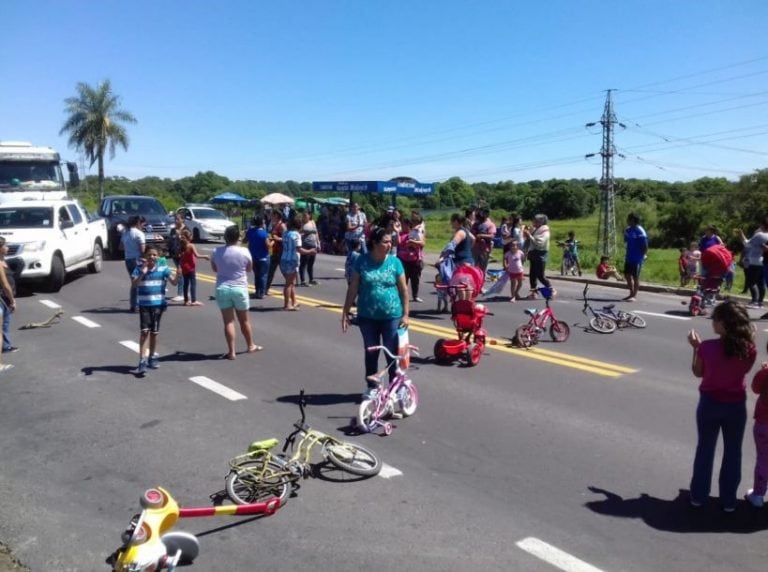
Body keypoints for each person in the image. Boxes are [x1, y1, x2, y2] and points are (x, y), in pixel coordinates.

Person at [687, 300, 756, 511]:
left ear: (724, 324)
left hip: (710, 404)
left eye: (715, 319)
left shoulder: (707, 347)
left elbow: (698, 372)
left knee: (705, 450)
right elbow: (743, 371)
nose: (712, 323)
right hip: (736, 405)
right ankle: (728, 501)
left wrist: (696, 349)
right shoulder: (749, 349)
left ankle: (698, 496)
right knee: (733, 452)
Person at [341, 226, 409, 398]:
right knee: (371, 352)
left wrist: (406, 314)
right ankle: (372, 387)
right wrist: (345, 311)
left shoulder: (395, 262)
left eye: (390, 241)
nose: (390, 244)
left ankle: (395, 388)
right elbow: (353, 287)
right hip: (367, 317)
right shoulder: (362, 261)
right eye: (386, 242)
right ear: (374, 243)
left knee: (391, 352)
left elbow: (403, 290)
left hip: (391, 316)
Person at [211, 225, 263, 360]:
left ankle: (231, 352)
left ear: (225, 237)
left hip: (222, 287)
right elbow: (249, 269)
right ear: (238, 238)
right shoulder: (244, 251)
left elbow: (215, 269)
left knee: (228, 322)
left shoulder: (216, 251)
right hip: (239, 287)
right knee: (244, 320)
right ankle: (250, 345)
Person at [130, 246, 179, 375]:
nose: (151, 257)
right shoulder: (139, 268)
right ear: (145, 256)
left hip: (158, 305)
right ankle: (142, 360)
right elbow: (134, 284)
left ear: (158, 256)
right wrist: (143, 272)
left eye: (154, 255)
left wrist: (179, 274)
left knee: (154, 332)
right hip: (144, 305)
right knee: (144, 332)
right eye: (149, 255)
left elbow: (174, 282)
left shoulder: (163, 269)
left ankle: (152, 357)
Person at [745, 345, 768, 508]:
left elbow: (755, 388)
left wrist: (763, 371)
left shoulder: (765, 374)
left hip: (764, 425)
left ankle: (758, 495)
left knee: (764, 459)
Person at [281, 216, 315, 311]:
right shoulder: (296, 235)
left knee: (291, 282)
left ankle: (294, 301)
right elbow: (299, 249)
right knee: (289, 283)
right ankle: (286, 305)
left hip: (284, 258)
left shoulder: (285, 233)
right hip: (292, 260)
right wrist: (310, 251)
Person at [735, 219, 768, 309]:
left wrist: (741, 234)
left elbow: (747, 244)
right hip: (763, 261)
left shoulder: (759, 235)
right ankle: (760, 302)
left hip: (754, 261)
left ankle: (754, 301)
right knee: (761, 283)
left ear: (762, 225)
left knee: (751, 282)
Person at [522, 214, 553, 299]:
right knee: (532, 275)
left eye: (535, 221)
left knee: (540, 275)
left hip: (540, 254)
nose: (533, 222)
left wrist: (529, 236)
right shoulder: (536, 229)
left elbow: (539, 243)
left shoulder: (545, 232)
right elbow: (529, 240)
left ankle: (550, 290)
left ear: (541, 222)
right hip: (533, 254)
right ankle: (533, 293)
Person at [397, 216, 426, 303]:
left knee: (415, 279)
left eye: (405, 225)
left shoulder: (417, 232)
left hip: (415, 259)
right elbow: (398, 243)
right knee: (403, 279)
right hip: (403, 260)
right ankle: (402, 295)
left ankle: (415, 296)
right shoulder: (400, 234)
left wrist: (412, 242)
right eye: (402, 225)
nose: (403, 226)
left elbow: (422, 243)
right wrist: (397, 232)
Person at [122, 215, 146, 313]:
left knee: (134, 282)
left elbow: (121, 246)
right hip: (137, 260)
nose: (143, 225)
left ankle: (133, 304)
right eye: (142, 223)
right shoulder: (139, 233)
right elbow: (142, 249)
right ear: (138, 223)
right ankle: (137, 304)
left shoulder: (125, 233)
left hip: (128, 259)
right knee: (138, 282)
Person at [179, 229, 209, 306]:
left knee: (185, 284)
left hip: (184, 267)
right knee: (193, 284)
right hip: (191, 268)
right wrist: (205, 256)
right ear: (189, 237)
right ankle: (193, 300)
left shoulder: (182, 245)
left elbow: (180, 256)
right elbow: (197, 255)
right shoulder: (191, 245)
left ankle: (186, 300)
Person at [623, 213, 648, 302]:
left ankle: (634, 295)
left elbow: (645, 245)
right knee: (627, 275)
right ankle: (631, 293)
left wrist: (644, 255)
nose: (627, 221)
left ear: (632, 220)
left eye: (628, 219)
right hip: (629, 256)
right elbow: (626, 240)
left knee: (635, 276)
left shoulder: (640, 231)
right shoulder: (628, 230)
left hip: (637, 258)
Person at [0, 237, 18, 353]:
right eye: (5, 246)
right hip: (3, 297)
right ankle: (5, 347)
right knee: (3, 324)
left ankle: (6, 345)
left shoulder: (3, 260)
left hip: (5, 297)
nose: (7, 247)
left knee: (6, 322)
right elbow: (5, 285)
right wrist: (12, 301)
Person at [245, 215, 270, 299]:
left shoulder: (250, 231)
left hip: (253, 256)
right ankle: (262, 293)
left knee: (257, 275)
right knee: (263, 275)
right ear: (261, 223)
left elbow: (245, 240)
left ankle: (257, 291)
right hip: (263, 257)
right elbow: (267, 245)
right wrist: (272, 242)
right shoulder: (263, 233)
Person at [167, 214, 187, 302]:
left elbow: (188, 242)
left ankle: (180, 294)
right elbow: (170, 241)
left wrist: (179, 236)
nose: (176, 221)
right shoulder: (173, 230)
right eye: (175, 219)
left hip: (182, 254)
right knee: (180, 273)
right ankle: (183, 292)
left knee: (180, 273)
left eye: (178, 219)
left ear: (183, 220)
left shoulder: (186, 230)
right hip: (174, 254)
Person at [471, 207, 496, 275]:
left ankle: (481, 282)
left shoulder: (490, 224)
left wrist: (481, 236)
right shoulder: (476, 224)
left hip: (484, 249)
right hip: (475, 248)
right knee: (473, 267)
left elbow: (492, 236)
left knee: (482, 268)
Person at [265, 210, 286, 294]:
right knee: (270, 270)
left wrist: (278, 239)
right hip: (274, 251)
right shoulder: (274, 225)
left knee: (284, 270)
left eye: (273, 215)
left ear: (277, 216)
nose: (271, 217)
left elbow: (287, 238)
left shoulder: (282, 226)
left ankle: (290, 285)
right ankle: (266, 289)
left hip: (281, 251)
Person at [299, 210, 319, 286]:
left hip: (313, 243)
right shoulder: (301, 223)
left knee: (311, 262)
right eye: (303, 215)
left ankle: (311, 279)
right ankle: (303, 280)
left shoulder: (312, 222)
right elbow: (299, 233)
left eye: (306, 215)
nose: (304, 216)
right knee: (304, 263)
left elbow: (316, 233)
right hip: (305, 244)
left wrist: (318, 243)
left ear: (309, 216)